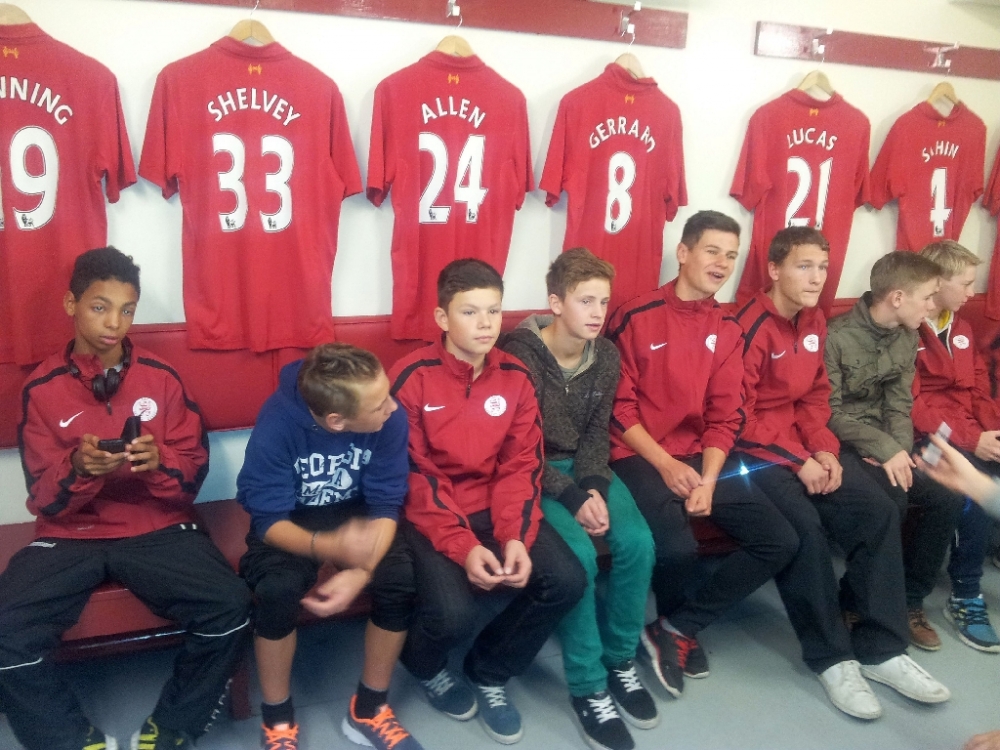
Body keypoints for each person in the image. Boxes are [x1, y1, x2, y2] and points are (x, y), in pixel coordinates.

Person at [0, 247, 251, 750]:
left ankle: (173, 726)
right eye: (100, 307)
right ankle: (71, 739)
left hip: (155, 525)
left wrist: (159, 462)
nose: (114, 323)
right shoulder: (41, 388)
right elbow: (43, 499)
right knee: (6, 633)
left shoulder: (162, 376)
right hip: (70, 533)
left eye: (127, 309)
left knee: (232, 608)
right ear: (71, 304)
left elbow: (192, 473)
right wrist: (77, 469)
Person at [733, 226, 950, 720]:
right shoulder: (748, 326)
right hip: (757, 456)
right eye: (804, 266)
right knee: (805, 530)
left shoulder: (813, 321)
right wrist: (800, 459)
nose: (817, 278)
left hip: (809, 449)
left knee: (878, 511)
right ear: (774, 270)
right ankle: (831, 658)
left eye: (823, 268)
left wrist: (826, 451)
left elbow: (816, 399)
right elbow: (741, 417)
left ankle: (881, 649)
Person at [371, 258, 586, 745]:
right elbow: (415, 475)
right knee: (453, 615)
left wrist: (515, 537)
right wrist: (464, 546)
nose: (486, 324)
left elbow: (521, 465)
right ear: (442, 318)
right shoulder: (410, 377)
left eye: (494, 311)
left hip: (496, 504)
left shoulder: (515, 376)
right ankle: (424, 666)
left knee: (566, 580)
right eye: (470, 312)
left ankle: (489, 671)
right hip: (430, 513)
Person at [606, 209, 799, 698]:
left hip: (702, 455)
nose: (722, 264)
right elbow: (618, 409)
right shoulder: (635, 315)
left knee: (780, 539)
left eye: (731, 256)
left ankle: (676, 627)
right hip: (639, 452)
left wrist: (710, 480)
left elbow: (726, 414)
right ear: (683, 253)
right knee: (677, 548)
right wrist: (666, 464)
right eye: (712, 251)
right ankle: (673, 629)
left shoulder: (729, 326)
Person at [500, 249, 657, 750]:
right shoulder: (520, 354)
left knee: (638, 543)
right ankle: (588, 686)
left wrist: (594, 489)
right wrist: (571, 497)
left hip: (585, 470)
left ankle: (620, 659)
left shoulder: (605, 355)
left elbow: (595, 433)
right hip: (534, 473)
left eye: (603, 302)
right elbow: (518, 446)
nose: (597, 312)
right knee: (582, 561)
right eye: (585, 301)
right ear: (555, 303)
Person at [236, 343, 421, 750]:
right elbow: (268, 521)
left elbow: (386, 504)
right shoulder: (277, 424)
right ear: (337, 421)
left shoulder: (390, 417)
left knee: (401, 579)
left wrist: (362, 570)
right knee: (277, 589)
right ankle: (277, 720)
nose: (392, 407)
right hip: (292, 518)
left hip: (357, 511)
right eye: (379, 404)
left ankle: (369, 709)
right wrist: (333, 548)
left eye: (387, 393)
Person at [824, 250, 964, 652]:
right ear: (898, 298)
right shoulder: (836, 337)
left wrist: (899, 451)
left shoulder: (906, 335)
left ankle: (909, 599)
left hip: (890, 444)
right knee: (891, 501)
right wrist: (884, 448)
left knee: (947, 497)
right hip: (846, 444)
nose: (933, 306)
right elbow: (829, 413)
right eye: (928, 297)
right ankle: (854, 600)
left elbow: (899, 405)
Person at [913, 240, 1000, 653]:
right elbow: (914, 405)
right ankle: (965, 594)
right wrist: (971, 439)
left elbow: (979, 389)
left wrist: (992, 433)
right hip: (926, 439)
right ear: (938, 282)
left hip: (967, 430)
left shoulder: (961, 328)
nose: (971, 292)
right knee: (972, 490)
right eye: (964, 284)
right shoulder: (909, 327)